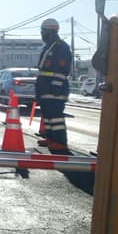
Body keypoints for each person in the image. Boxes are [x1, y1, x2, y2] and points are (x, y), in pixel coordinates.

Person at [35, 18, 72, 151]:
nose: (42, 34)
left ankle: (60, 142)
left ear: (50, 31)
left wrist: (56, 87)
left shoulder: (61, 47)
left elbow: (62, 69)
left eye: (43, 31)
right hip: (46, 88)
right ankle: (51, 138)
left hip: (55, 89)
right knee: (48, 115)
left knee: (56, 117)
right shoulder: (49, 46)